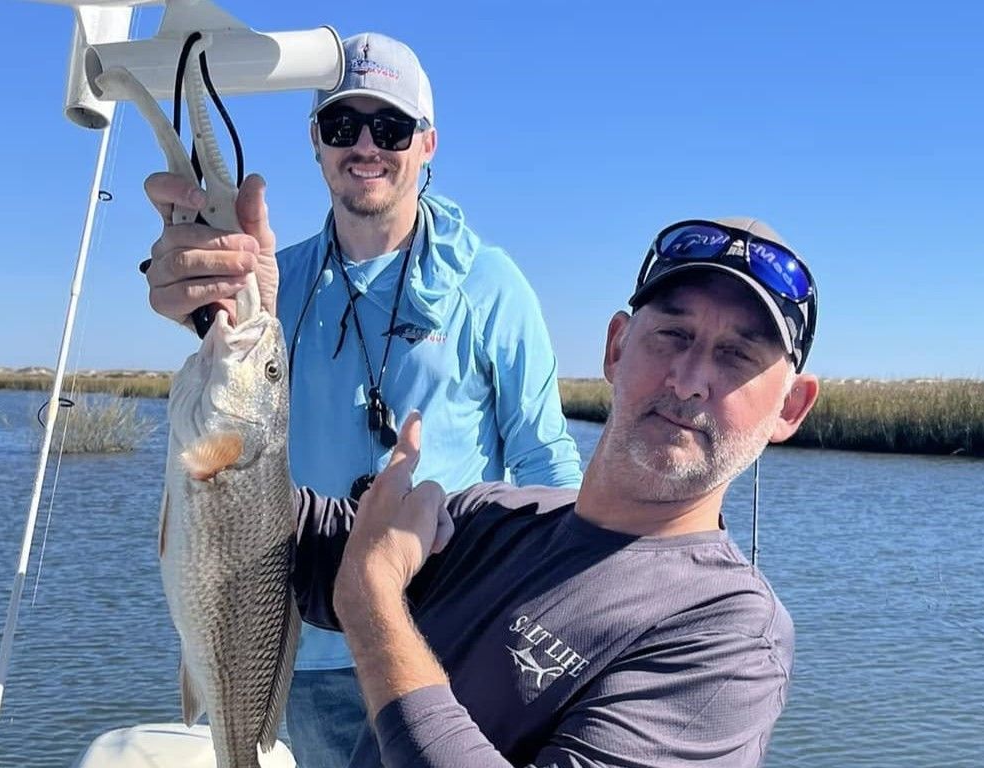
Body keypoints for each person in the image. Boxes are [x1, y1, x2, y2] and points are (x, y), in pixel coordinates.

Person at [141, 32, 584, 767]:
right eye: (344, 125)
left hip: (445, 645)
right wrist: (192, 283)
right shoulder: (271, 284)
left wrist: (575, 597)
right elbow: (219, 413)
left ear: (429, 143)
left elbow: (542, 455)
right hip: (299, 643)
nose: (366, 145)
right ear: (316, 141)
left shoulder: (491, 285)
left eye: (392, 126)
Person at [293, 216, 822, 767]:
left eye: (737, 355)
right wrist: (228, 349)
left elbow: (366, 583)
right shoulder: (492, 515)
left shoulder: (731, 640)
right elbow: (283, 541)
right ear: (617, 347)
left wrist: (373, 602)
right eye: (673, 335)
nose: (689, 379)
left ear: (790, 407)